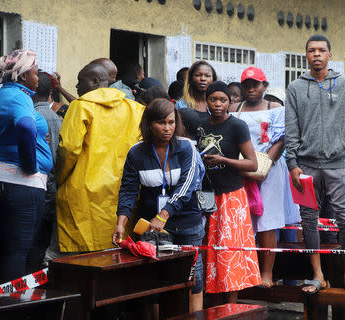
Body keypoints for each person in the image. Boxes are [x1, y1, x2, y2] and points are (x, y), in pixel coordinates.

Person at [285, 34, 345, 295]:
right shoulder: (295, 88)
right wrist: (292, 162)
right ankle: (317, 275)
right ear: (306, 55)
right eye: (311, 50)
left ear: (329, 55)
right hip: (305, 166)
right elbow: (292, 130)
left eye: (321, 50)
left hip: (338, 165)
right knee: (309, 221)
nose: (316, 54)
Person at [112, 98, 204, 312]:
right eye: (161, 123)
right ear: (149, 124)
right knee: (154, 278)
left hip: (186, 221)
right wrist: (121, 223)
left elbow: (186, 186)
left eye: (171, 122)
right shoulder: (136, 152)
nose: (167, 128)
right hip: (150, 225)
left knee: (194, 275)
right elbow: (128, 190)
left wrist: (163, 214)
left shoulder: (186, 148)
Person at [56, 63, 145, 253]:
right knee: (117, 255)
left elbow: (69, 148)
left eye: (80, 81)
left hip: (82, 193)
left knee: (83, 261)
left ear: (95, 82)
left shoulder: (80, 106)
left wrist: (59, 178)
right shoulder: (135, 109)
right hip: (123, 193)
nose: (77, 87)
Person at [229, 67, 300, 288]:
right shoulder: (233, 109)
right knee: (243, 221)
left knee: (268, 221)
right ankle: (244, 270)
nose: (251, 89)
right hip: (240, 168)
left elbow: (282, 138)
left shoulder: (276, 108)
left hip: (269, 169)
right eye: (247, 85)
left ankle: (266, 273)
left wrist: (264, 165)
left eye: (255, 84)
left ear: (264, 86)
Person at [0, 49, 52, 286]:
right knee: (17, 252)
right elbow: (26, 126)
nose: (38, 78)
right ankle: (11, 308)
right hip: (22, 186)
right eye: (36, 73)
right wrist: (30, 164)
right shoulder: (20, 97)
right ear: (24, 75)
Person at [196, 81, 261, 304]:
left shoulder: (237, 126)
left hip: (231, 197)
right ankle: (209, 304)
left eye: (222, 100)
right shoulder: (201, 125)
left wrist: (223, 160)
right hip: (206, 195)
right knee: (207, 251)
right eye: (213, 99)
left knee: (229, 252)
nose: (217, 104)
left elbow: (252, 164)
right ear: (207, 101)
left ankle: (230, 305)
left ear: (230, 102)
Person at [27, 72, 63, 267]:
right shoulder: (59, 119)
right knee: (44, 244)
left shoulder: (28, 117)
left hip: (34, 190)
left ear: (30, 91)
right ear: (51, 92)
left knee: (31, 245)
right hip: (54, 191)